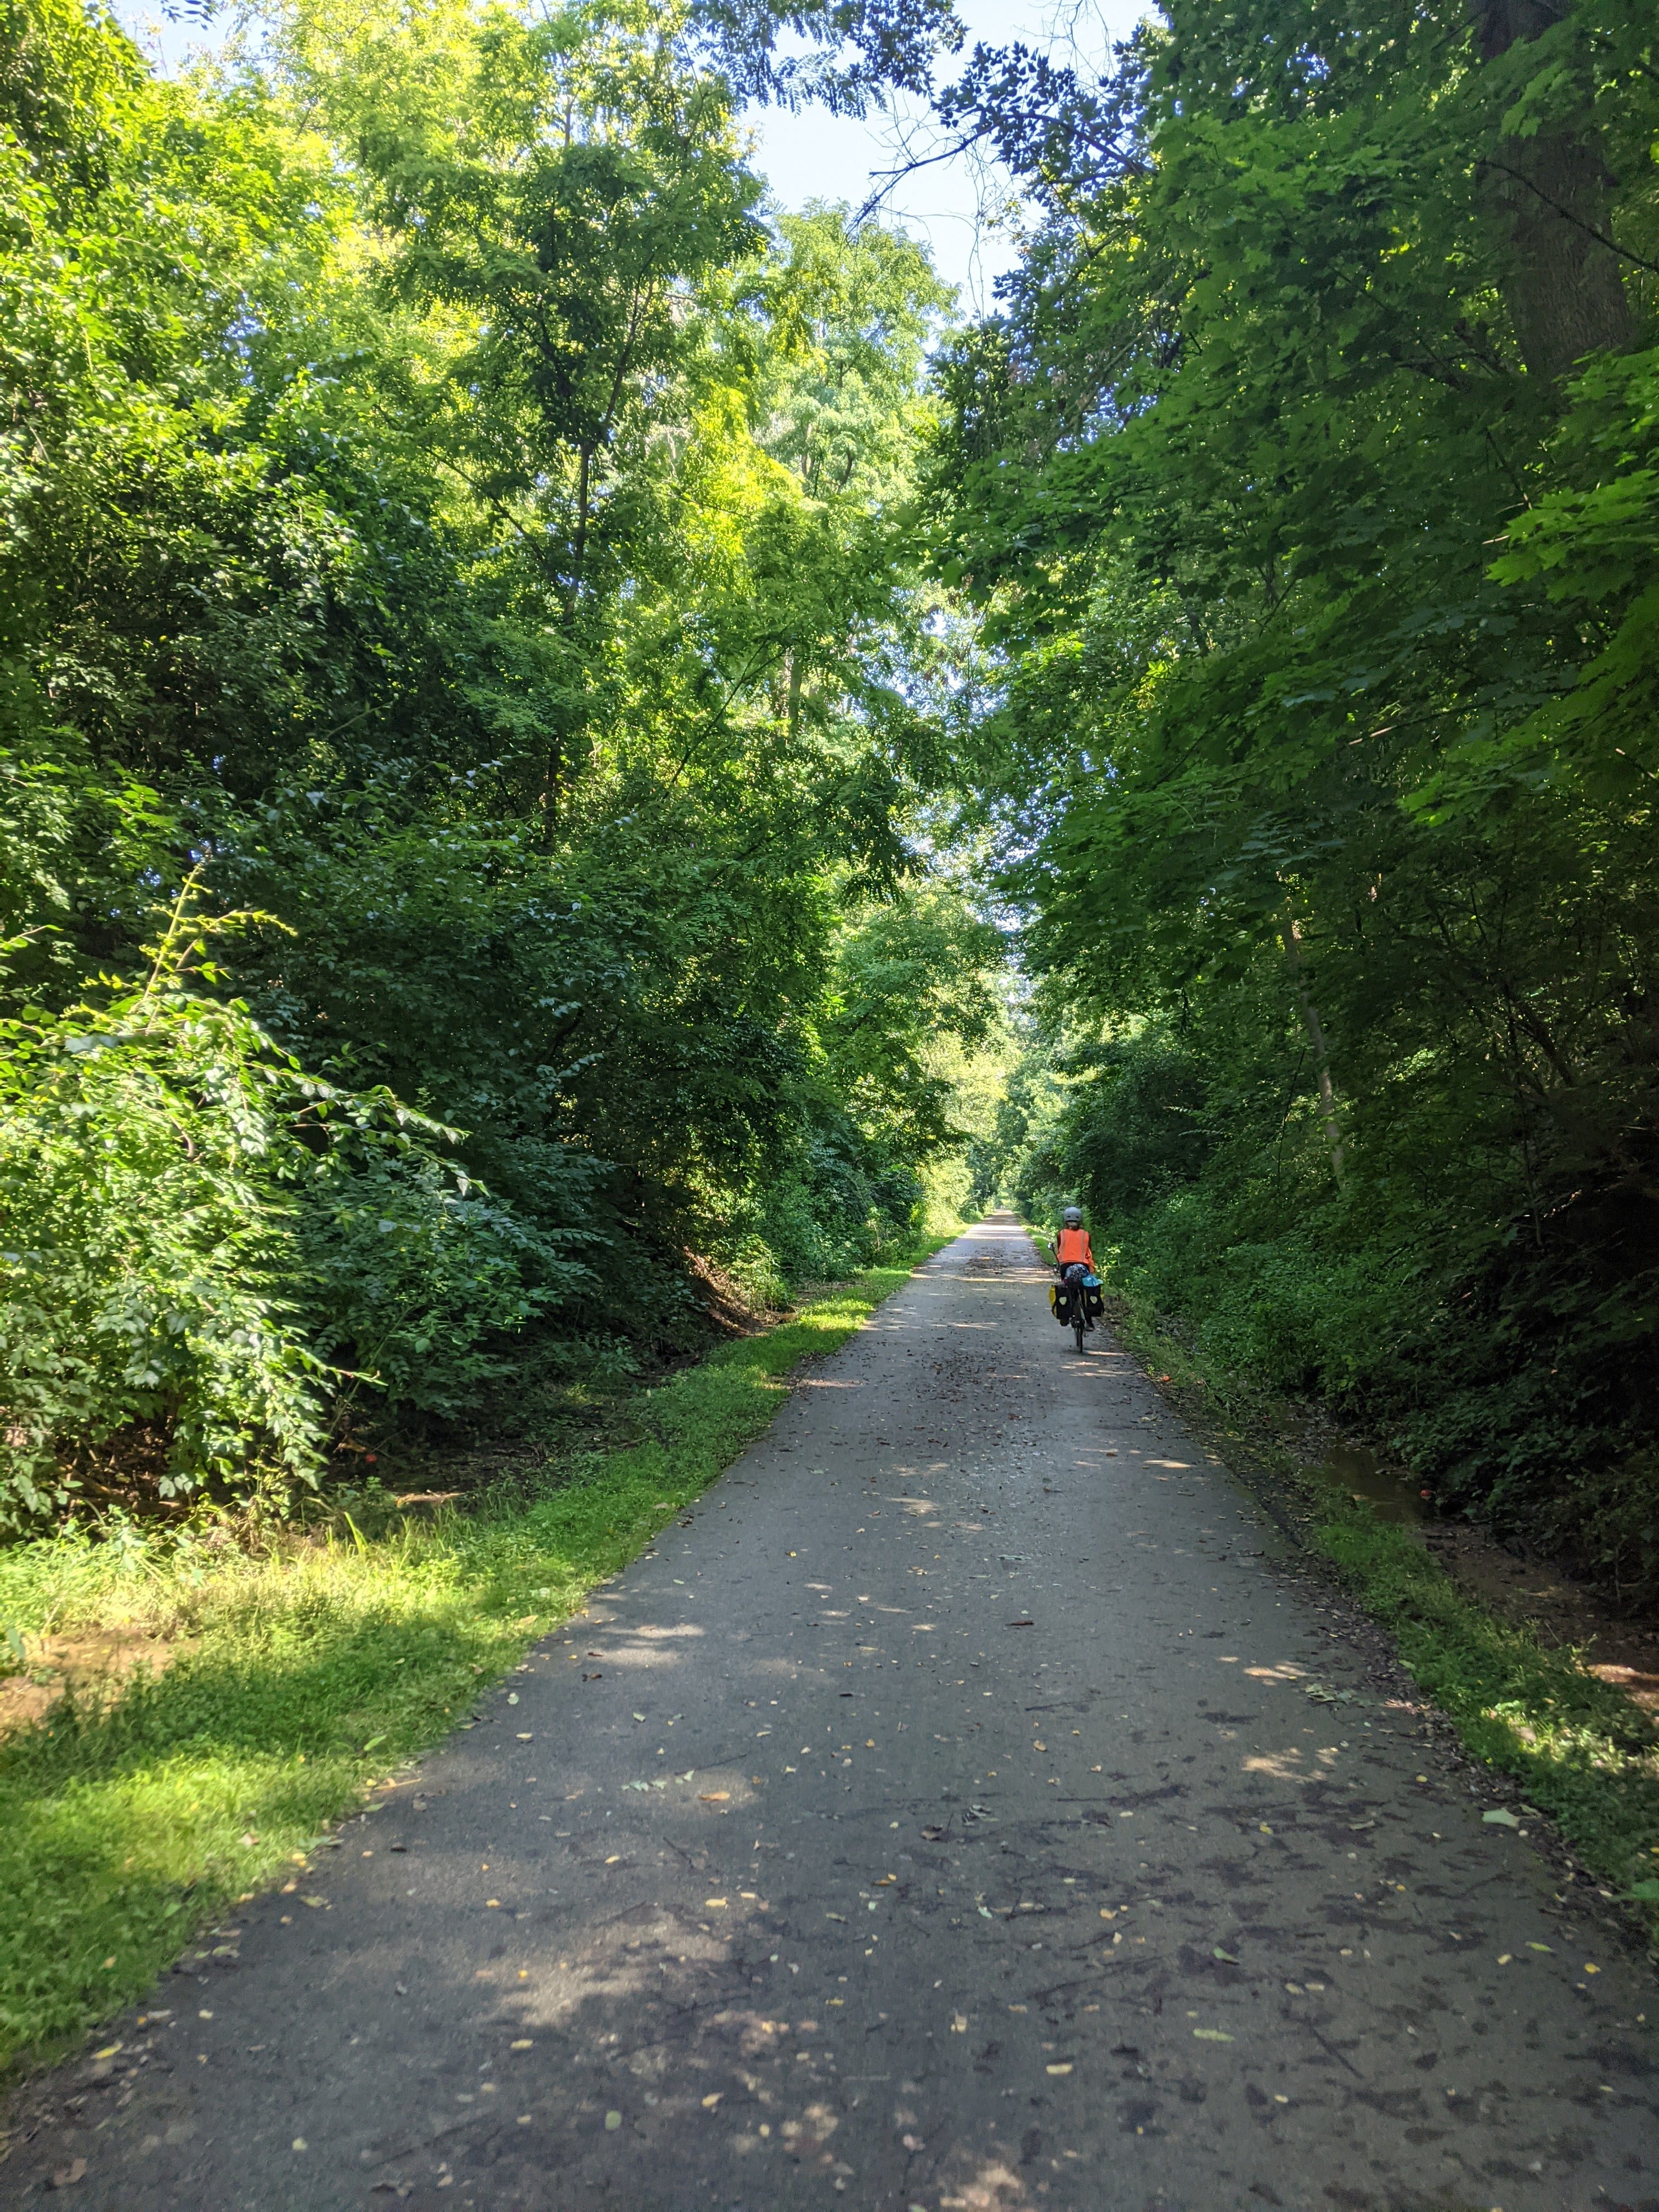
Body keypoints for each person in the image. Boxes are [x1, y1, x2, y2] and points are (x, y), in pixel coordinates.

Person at [1051, 1205, 1098, 1331]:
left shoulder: (1061, 1234)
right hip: (1083, 1266)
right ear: (1080, 1220)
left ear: (1065, 1220)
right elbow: (1089, 1252)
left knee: (1067, 1288)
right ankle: (1089, 1322)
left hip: (1066, 1266)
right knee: (1084, 1293)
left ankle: (1066, 1315)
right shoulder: (1086, 1235)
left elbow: (1061, 1250)